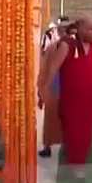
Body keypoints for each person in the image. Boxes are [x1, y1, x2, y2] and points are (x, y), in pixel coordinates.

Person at [41, 14, 92, 183]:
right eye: (90, 29)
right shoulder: (67, 45)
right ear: (79, 28)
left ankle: (72, 168)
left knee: (86, 136)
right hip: (72, 101)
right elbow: (53, 68)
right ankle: (77, 172)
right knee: (73, 134)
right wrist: (45, 88)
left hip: (90, 100)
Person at [37, 19, 71, 158]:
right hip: (56, 85)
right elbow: (47, 67)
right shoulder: (54, 47)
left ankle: (65, 146)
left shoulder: (71, 47)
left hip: (67, 85)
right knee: (51, 117)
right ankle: (48, 146)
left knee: (66, 119)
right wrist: (44, 88)